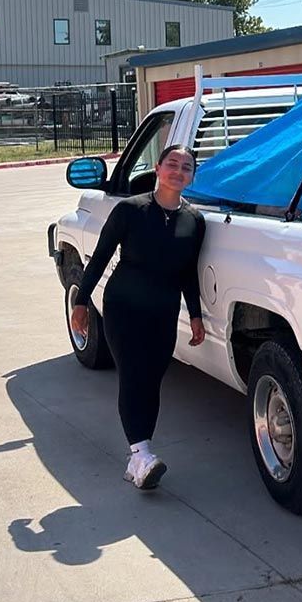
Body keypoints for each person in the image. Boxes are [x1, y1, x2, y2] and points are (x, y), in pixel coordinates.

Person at [69, 145, 205, 489]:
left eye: (186, 167)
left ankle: (138, 458)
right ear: (157, 168)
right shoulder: (130, 210)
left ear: (192, 176)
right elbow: (99, 257)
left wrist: (196, 316)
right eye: (171, 163)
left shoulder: (194, 220)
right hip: (124, 305)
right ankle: (141, 453)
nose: (178, 170)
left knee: (152, 379)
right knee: (132, 374)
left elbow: (189, 271)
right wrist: (81, 303)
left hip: (164, 309)